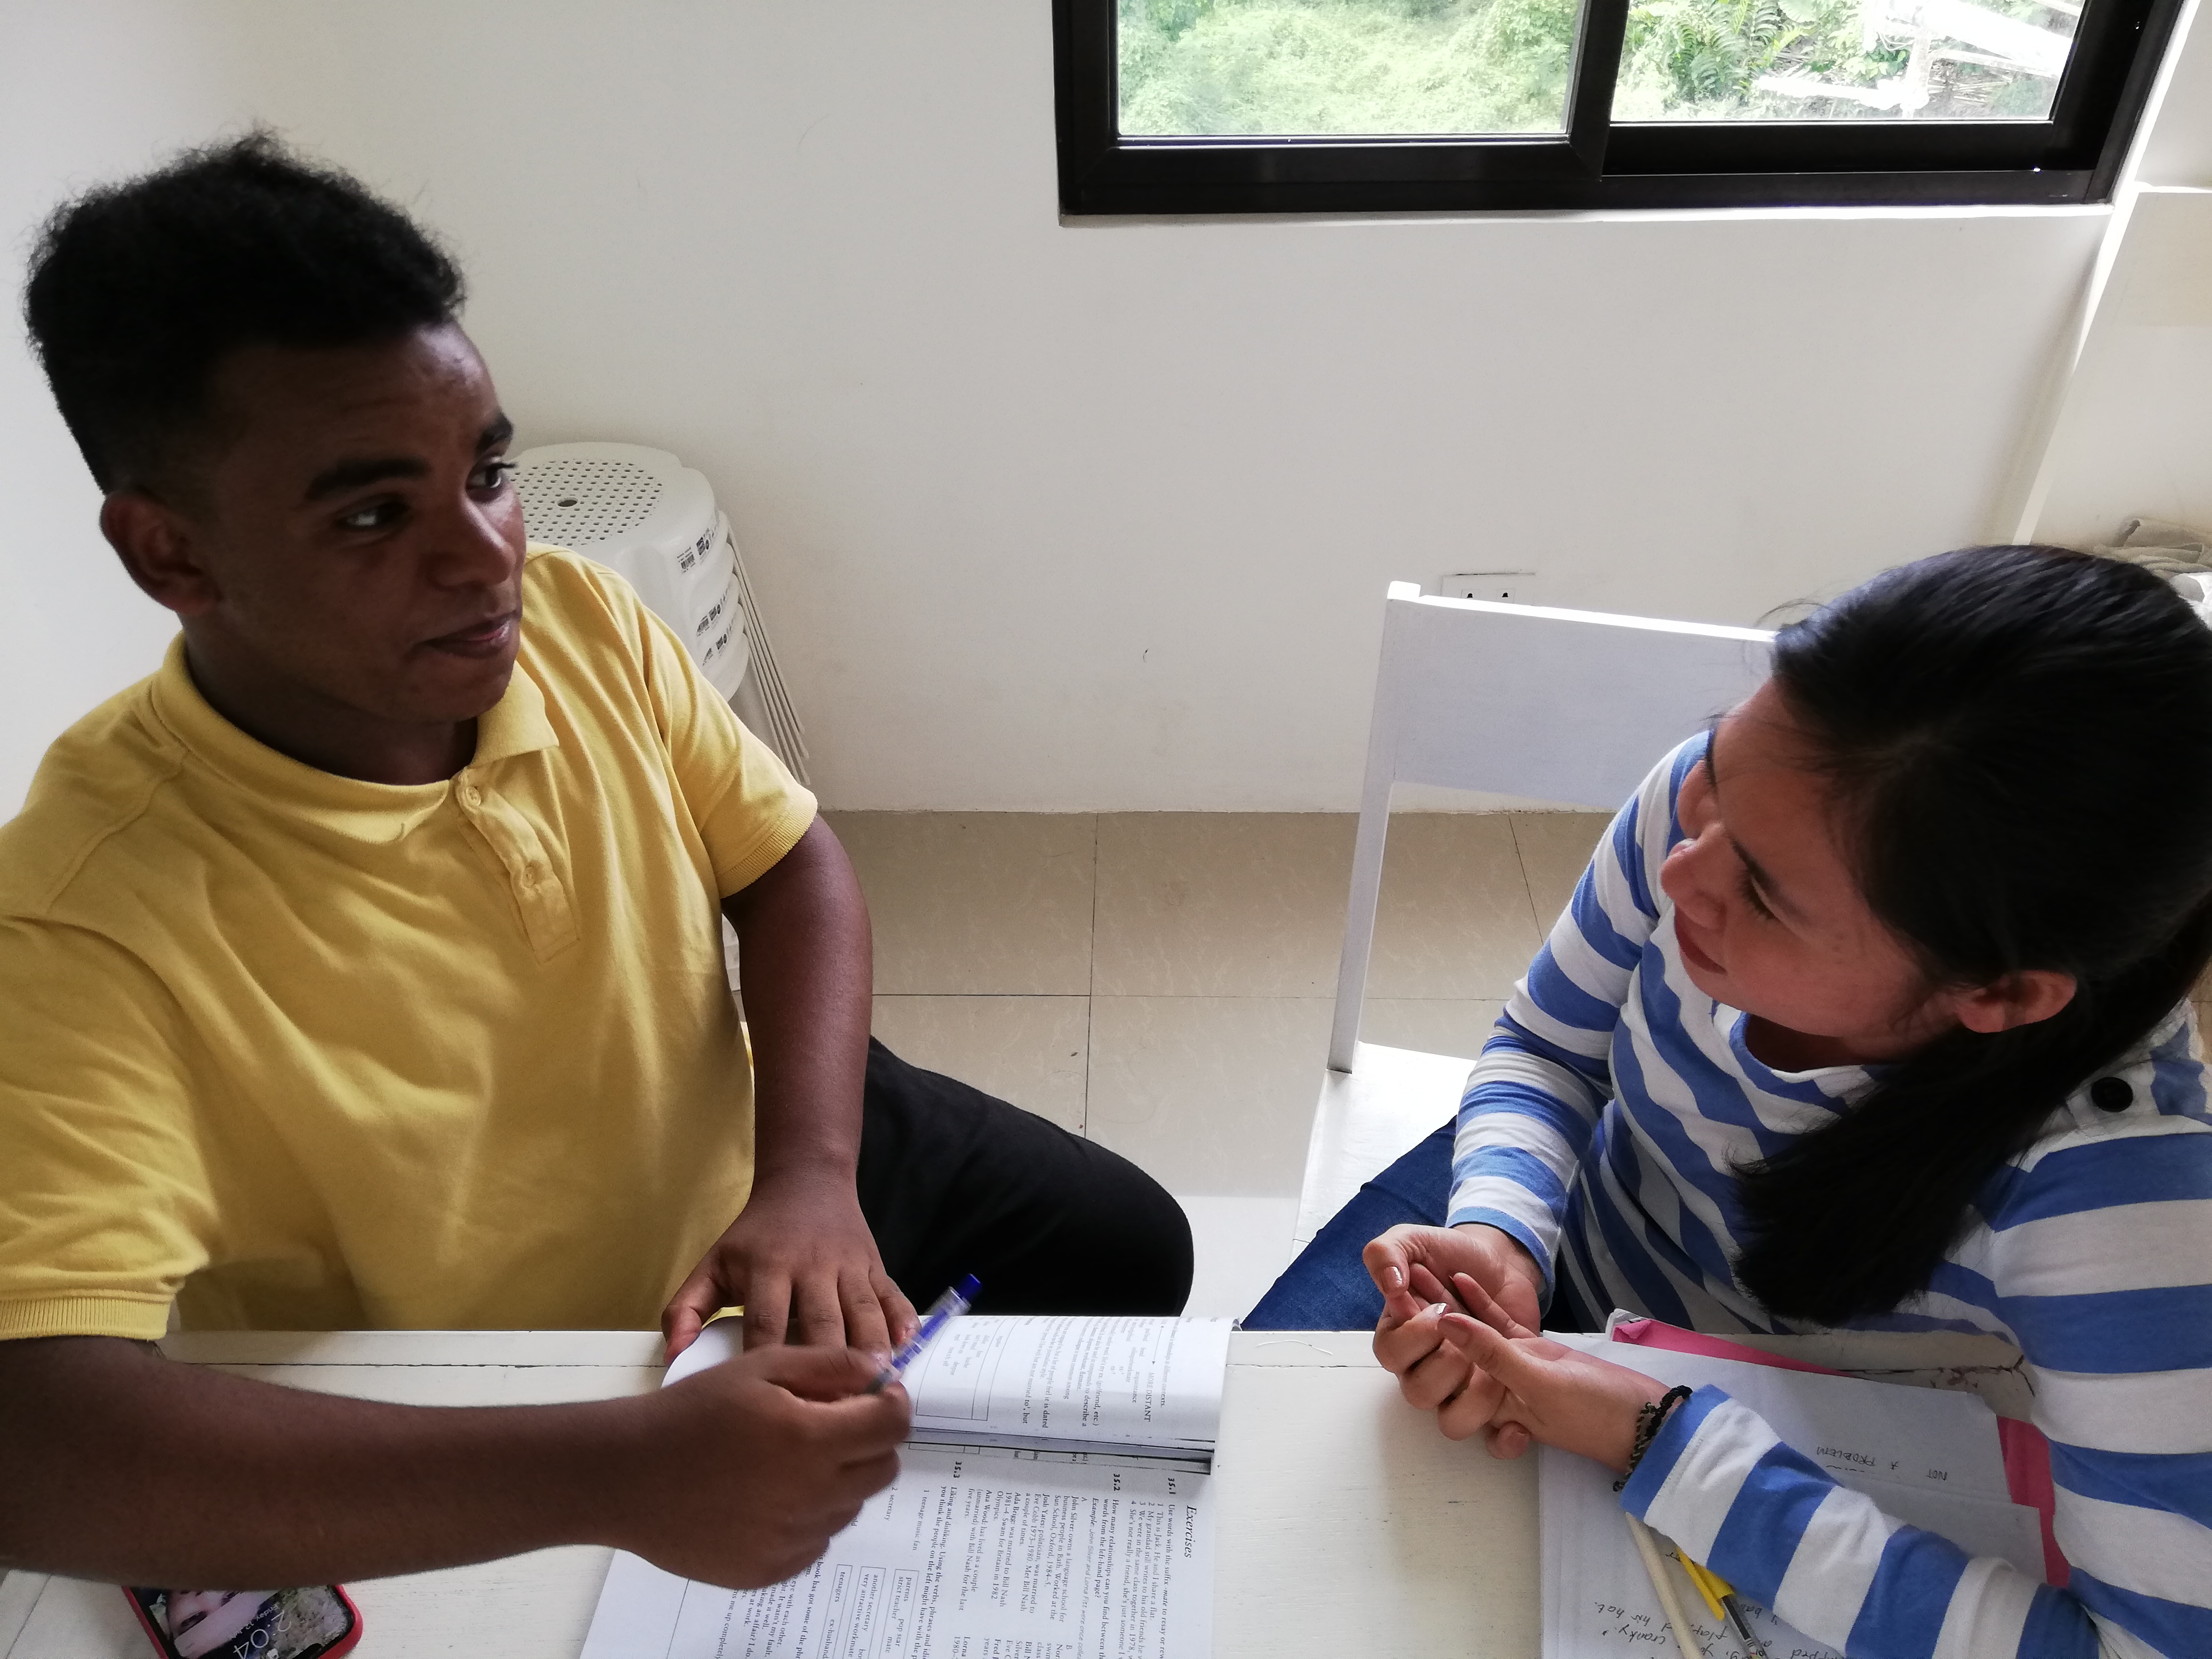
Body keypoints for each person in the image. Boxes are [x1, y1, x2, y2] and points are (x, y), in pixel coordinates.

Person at [0, 135, 1190, 1590]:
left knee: (1131, 1253)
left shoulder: (580, 619)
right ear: (171, 556)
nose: (485, 555)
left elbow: (790, 864)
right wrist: (619, 1473)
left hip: (755, 1147)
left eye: (487, 471)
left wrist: (809, 1174)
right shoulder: (76, 918)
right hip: (495, 1367)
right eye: (373, 514)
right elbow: (35, 1443)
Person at [1248, 545, 2212, 1657]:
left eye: (1762, 894)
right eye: (1713, 775)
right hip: (1562, 1246)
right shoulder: (1717, 813)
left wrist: (1653, 1437)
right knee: (1240, 1479)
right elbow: (1546, 1049)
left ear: (1997, 993)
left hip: (1797, 1449)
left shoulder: (2128, 1209)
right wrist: (1503, 1232)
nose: (1682, 873)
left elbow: (2144, 1646)